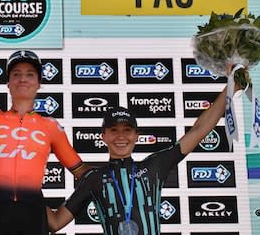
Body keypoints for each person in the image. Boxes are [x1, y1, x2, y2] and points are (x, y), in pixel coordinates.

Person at [47, 83, 239, 235]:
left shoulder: (154, 166)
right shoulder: (94, 178)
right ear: (103, 136)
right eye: (114, 130)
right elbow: (55, 223)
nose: (121, 137)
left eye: (127, 130)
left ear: (137, 135)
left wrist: (232, 87)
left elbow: (199, 129)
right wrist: (23, 191)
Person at [0, 50, 88, 235]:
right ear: (8, 83)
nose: (23, 79)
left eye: (30, 74)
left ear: (38, 84)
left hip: (33, 214)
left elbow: (83, 173)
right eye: (16, 74)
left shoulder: (51, 127)